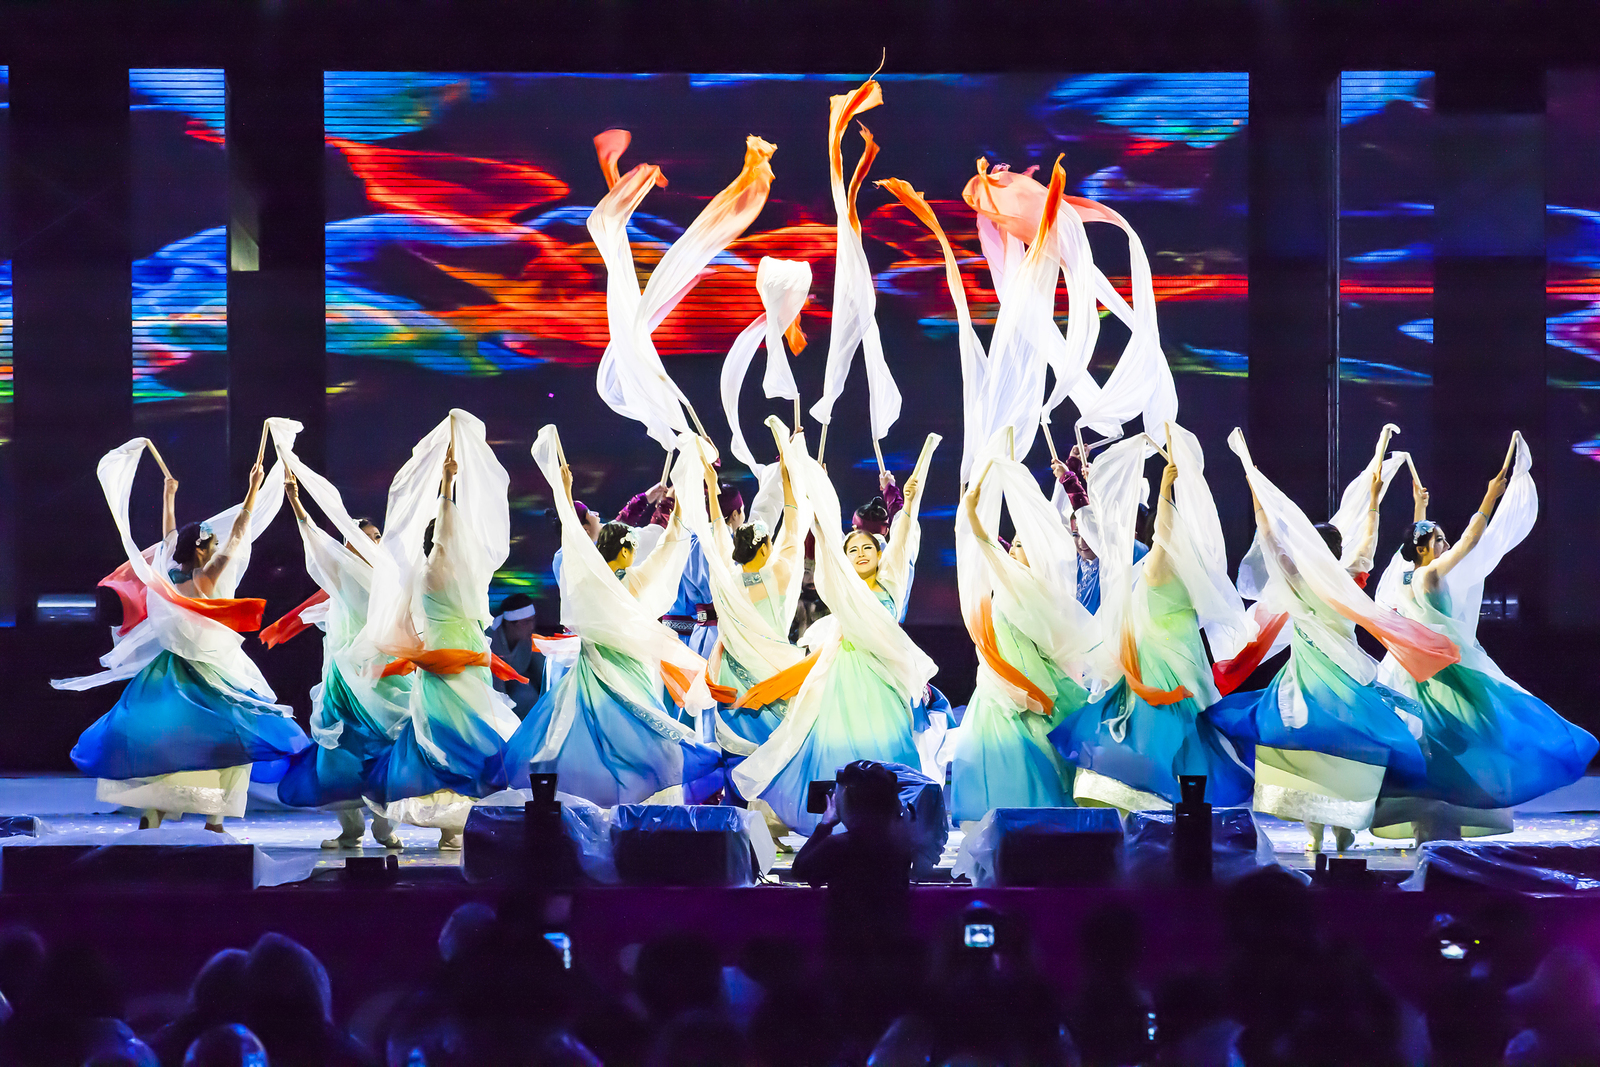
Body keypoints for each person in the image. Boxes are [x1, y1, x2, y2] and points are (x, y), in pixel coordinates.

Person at [1208, 427, 1450, 853]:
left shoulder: (1300, 579)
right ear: (1336, 549)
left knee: (1308, 751)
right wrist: (1373, 494)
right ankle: (1335, 827)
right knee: (1341, 751)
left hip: (1309, 683)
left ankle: (1321, 829)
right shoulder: (1348, 574)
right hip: (1338, 680)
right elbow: (1369, 531)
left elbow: (1270, 537)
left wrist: (1255, 487)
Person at [58, 438, 309, 832]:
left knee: (168, 737)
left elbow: (169, 536)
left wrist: (168, 495)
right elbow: (240, 533)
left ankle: (158, 811)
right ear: (204, 549)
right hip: (211, 667)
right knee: (227, 734)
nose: (219, 547)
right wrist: (252, 489)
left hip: (174, 665)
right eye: (213, 544)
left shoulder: (170, 572)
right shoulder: (207, 575)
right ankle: (213, 817)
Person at [1370, 437, 1597, 844]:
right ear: (1424, 548)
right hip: (1444, 671)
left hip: (1417, 669)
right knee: (1455, 737)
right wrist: (1491, 496)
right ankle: (1441, 825)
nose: (1445, 543)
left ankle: (1433, 825)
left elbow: (1415, 547)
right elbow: (1471, 541)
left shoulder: (1402, 576)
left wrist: (1420, 509)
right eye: (1439, 539)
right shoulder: (1429, 574)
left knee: (1430, 741)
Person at [497, 425, 720, 807]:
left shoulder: (587, 575)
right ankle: (632, 799)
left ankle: (591, 797)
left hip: (595, 670)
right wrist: (681, 503)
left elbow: (581, 534)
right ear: (627, 551)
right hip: (624, 672)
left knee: (584, 736)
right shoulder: (628, 578)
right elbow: (667, 544)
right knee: (636, 738)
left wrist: (564, 491)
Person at [732, 434, 939, 835]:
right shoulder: (843, 590)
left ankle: (892, 827)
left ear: (879, 553)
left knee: (888, 751)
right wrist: (813, 490)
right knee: (834, 750)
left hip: (882, 678)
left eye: (867, 548)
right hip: (841, 674)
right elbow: (825, 536)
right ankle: (838, 825)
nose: (859, 553)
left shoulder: (891, 583)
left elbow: (904, 535)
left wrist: (910, 501)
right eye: (852, 550)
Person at [1050, 432, 1253, 810]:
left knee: (1157, 745)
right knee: (1181, 747)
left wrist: (1164, 490)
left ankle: (1164, 814)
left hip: (1160, 670)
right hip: (1169, 668)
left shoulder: (1154, 565)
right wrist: (1075, 481)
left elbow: (1142, 533)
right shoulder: (1172, 569)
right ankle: (1172, 814)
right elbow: (1098, 531)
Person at [362, 410, 522, 850]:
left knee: (450, 734)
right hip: (450, 657)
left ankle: (452, 824)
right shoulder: (435, 567)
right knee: (455, 735)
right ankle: (449, 824)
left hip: (457, 654)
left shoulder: (439, 572)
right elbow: (447, 529)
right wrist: (448, 484)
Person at [269, 446, 412, 850]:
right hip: (343, 677)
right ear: (348, 545)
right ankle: (350, 828)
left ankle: (384, 825)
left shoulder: (392, 577)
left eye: (377, 538)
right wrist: (296, 500)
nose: (373, 543)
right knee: (339, 750)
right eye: (365, 538)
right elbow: (312, 536)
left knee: (385, 747)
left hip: (383, 674)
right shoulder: (340, 571)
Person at [947, 446, 1094, 825]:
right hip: (1000, 682)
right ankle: (1006, 826)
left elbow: (984, 545)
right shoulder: (1022, 583)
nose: (1012, 549)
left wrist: (972, 511)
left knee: (1023, 757)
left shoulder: (1027, 585)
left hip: (1022, 684)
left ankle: (1028, 826)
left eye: (1021, 545)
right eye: (1012, 544)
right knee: (1001, 756)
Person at [688, 429, 809, 770]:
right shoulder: (779, 575)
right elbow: (794, 522)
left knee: (735, 758)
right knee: (777, 758)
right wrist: (788, 472)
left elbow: (716, 530)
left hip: (733, 680)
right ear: (766, 548)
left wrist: (711, 485)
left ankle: (734, 799)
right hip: (774, 675)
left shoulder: (726, 580)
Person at [487, 592, 547, 719]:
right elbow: (496, 686)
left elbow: (541, 669)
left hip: (515, 684)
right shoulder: (491, 642)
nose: (532, 627)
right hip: (490, 689)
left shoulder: (527, 640)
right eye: (526, 622)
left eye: (532, 620)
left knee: (529, 694)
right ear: (510, 624)